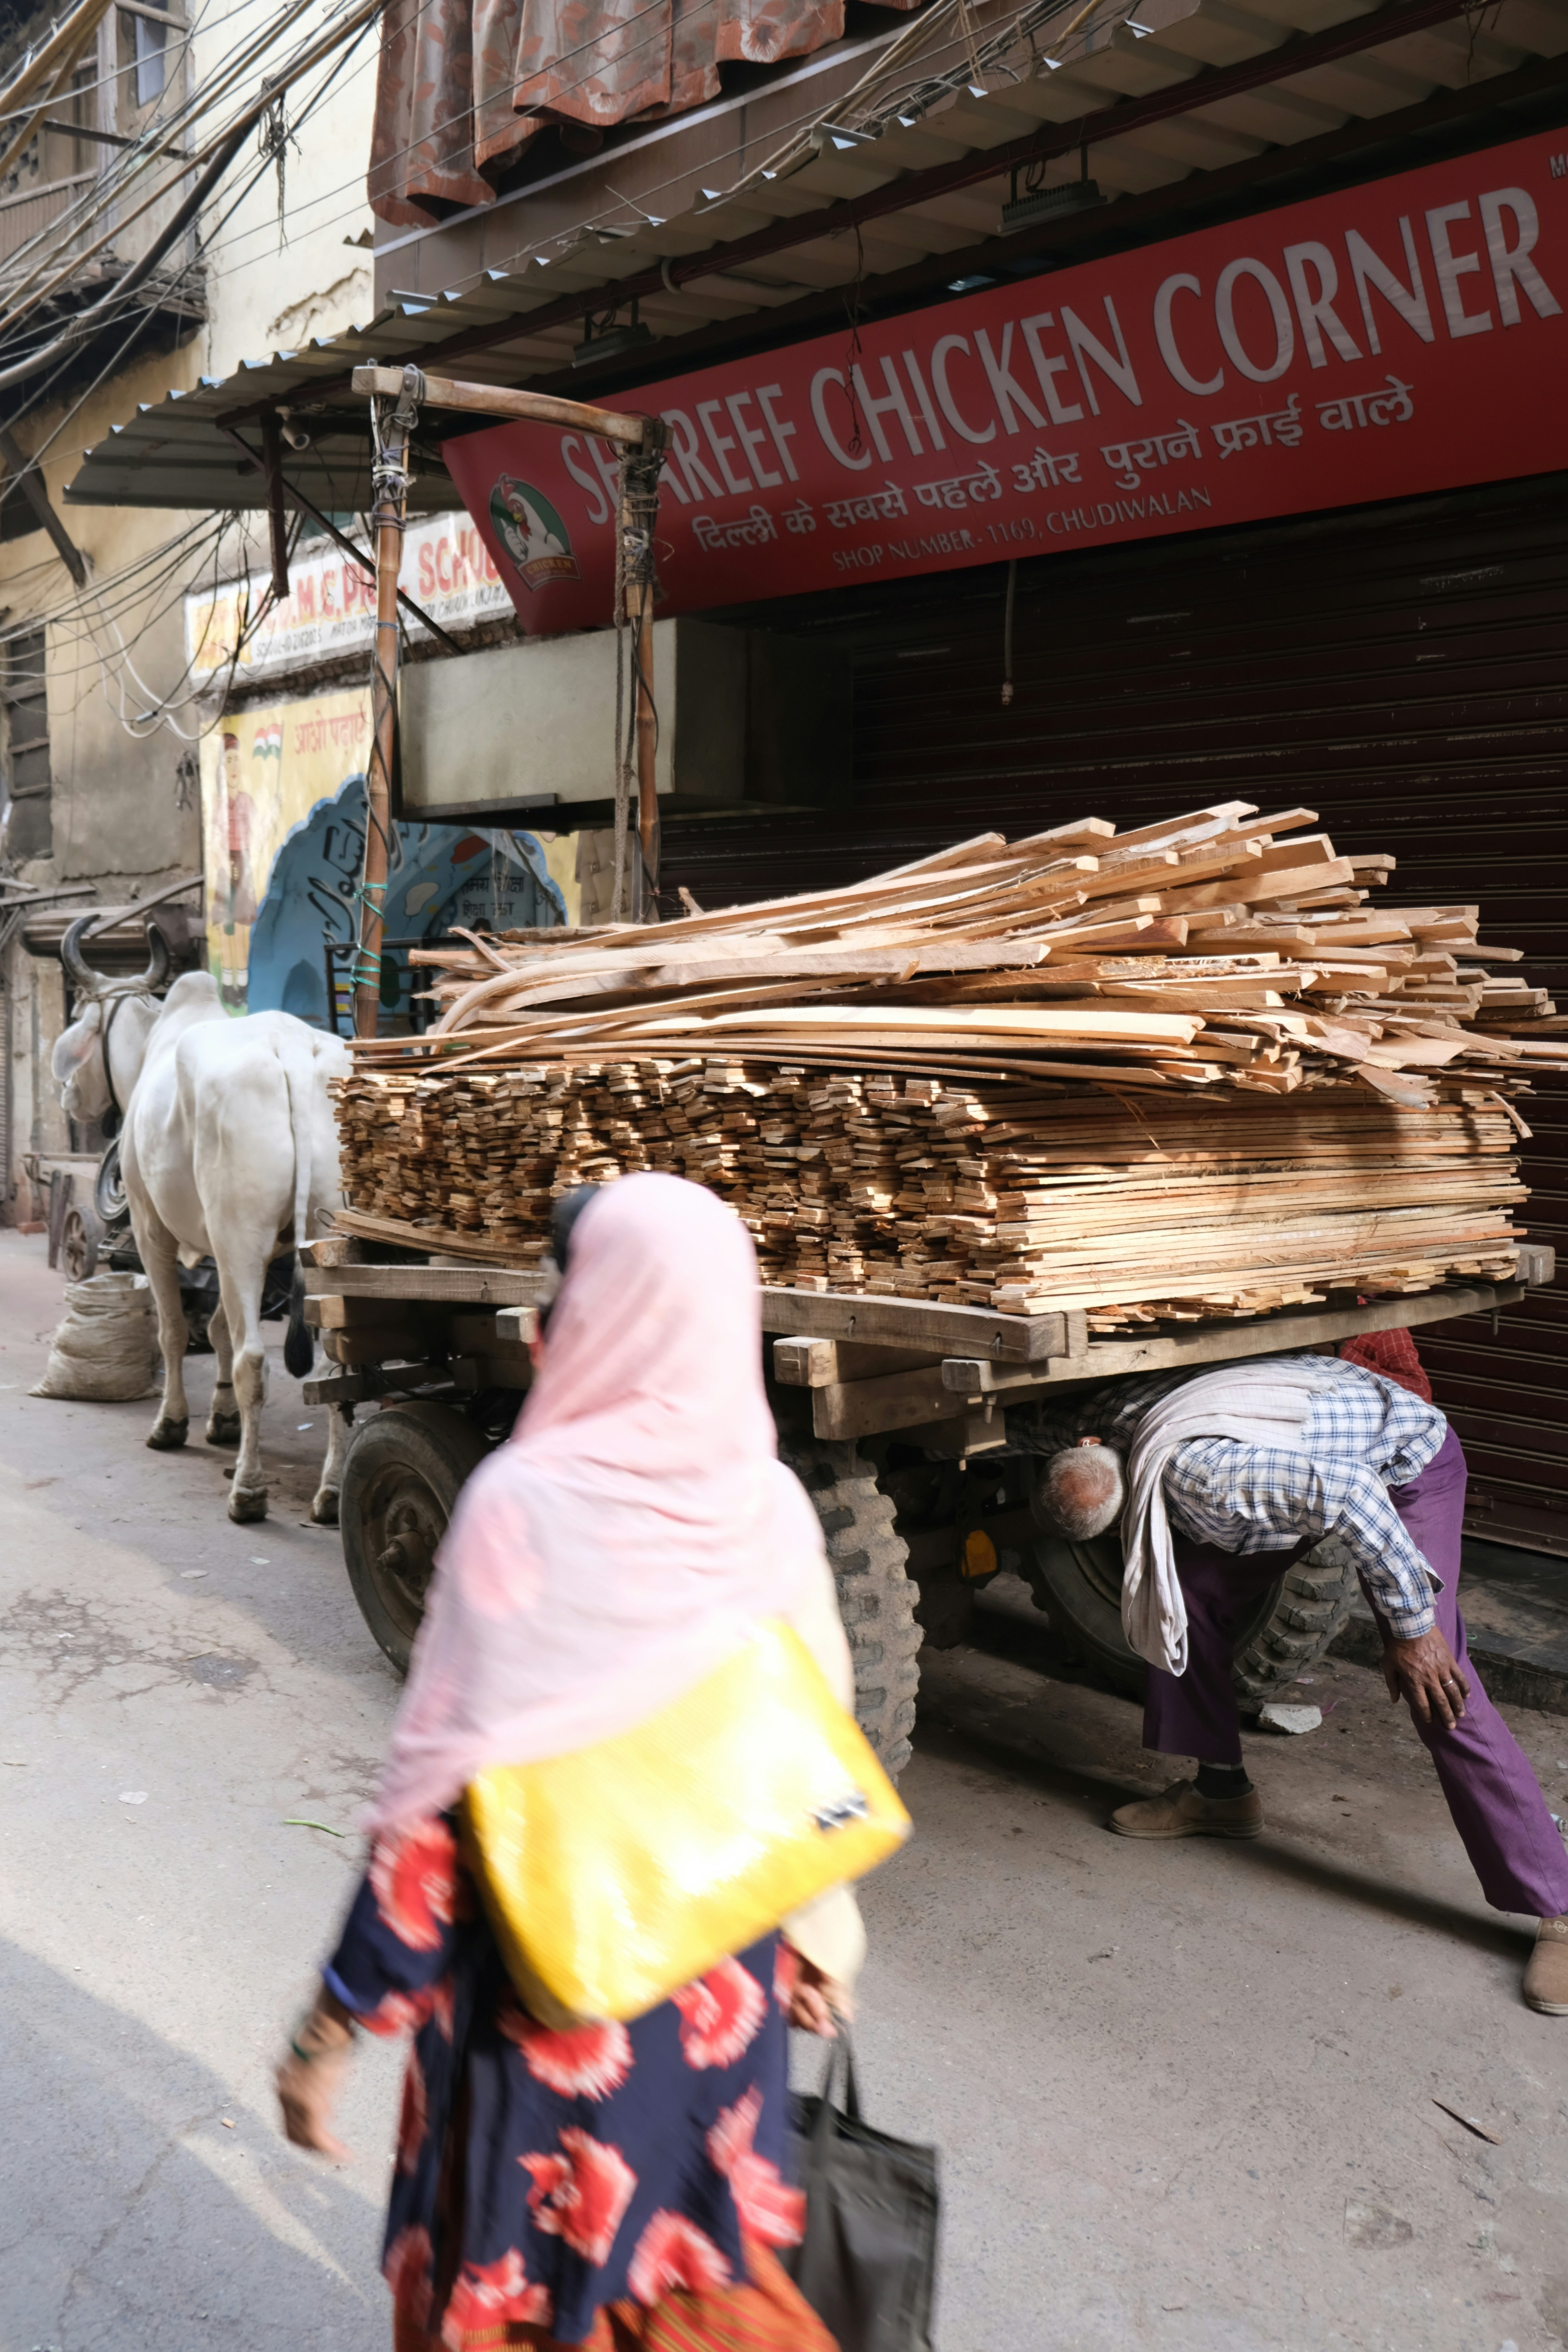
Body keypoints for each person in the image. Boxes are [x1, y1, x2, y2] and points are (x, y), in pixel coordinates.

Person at [276, 1173, 864, 2349]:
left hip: (546, 2005)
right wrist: (822, 1928)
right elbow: (810, 1749)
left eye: (565, 1286)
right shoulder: (768, 1504)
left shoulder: (524, 1508)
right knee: (681, 2272)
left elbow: (436, 1825)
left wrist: (328, 2032)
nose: (546, 1315)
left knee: (534, 2279)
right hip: (718, 1995)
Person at [1024, 1348, 1568, 2016]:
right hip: (1305, 1450)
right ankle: (1220, 1794)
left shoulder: (1206, 1479)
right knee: (1187, 1597)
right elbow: (1030, 1426)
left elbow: (1353, 1497)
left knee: (1438, 1684)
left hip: (1399, 1463)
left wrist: (1412, 1630)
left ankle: (1559, 1904)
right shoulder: (1100, 1418)